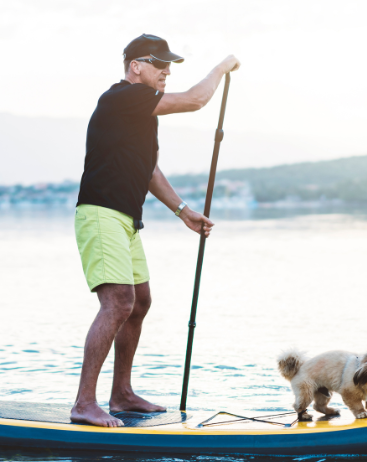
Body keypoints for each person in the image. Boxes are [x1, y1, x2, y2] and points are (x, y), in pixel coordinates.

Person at [71, 34, 240, 427]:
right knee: (117, 304)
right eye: (159, 64)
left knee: (139, 302)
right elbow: (196, 100)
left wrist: (182, 210)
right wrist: (221, 67)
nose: (166, 71)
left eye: (170, 66)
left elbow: (149, 170)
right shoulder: (122, 97)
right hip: (100, 214)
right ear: (136, 66)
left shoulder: (141, 115)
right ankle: (84, 403)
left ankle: (122, 395)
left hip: (126, 220)